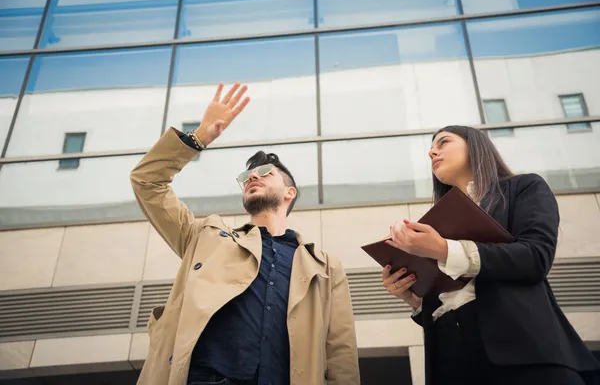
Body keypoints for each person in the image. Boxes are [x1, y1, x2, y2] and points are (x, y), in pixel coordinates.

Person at [131, 82, 360, 385]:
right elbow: (147, 183)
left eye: (266, 173)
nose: (253, 175)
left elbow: (340, 352)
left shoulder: (326, 267)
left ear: (289, 192)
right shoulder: (205, 238)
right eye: (247, 175)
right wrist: (199, 137)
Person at [380, 125, 600, 385]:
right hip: (453, 362)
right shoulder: (436, 227)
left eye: (443, 143)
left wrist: (443, 249)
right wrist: (415, 300)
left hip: (525, 355)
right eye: (431, 147)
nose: (431, 152)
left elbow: (535, 257)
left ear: (475, 145)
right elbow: (450, 301)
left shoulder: (523, 188)